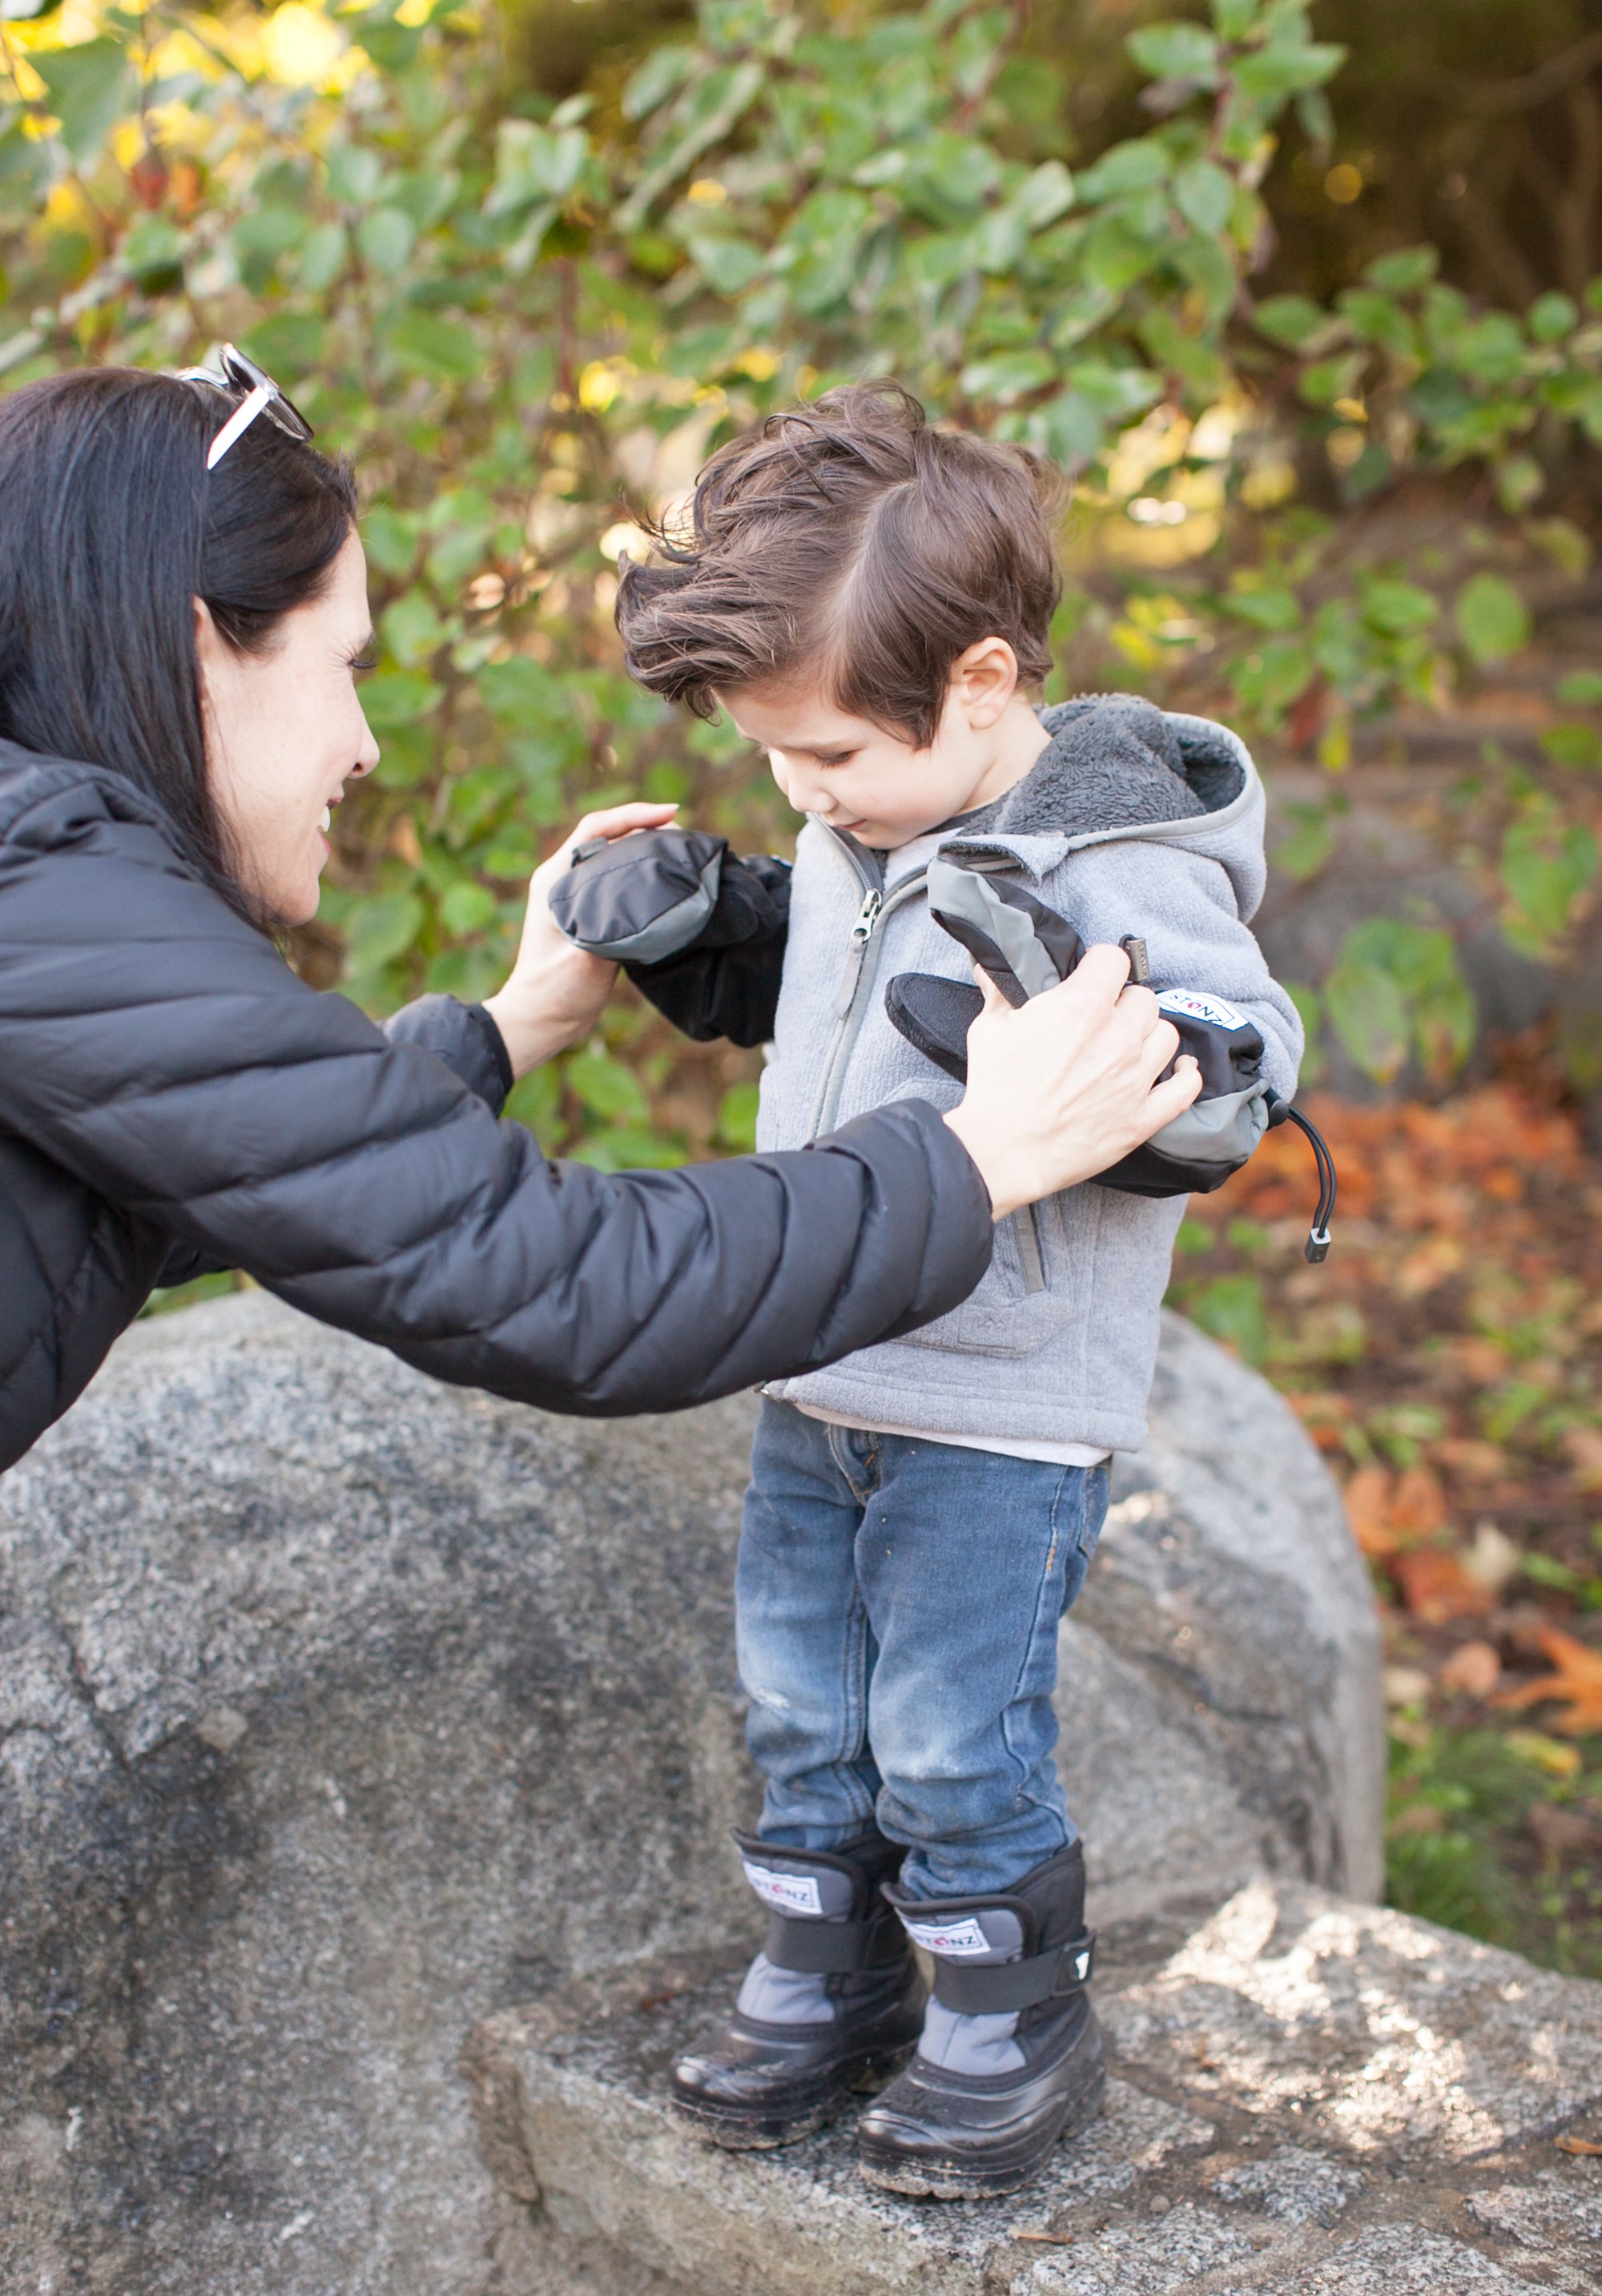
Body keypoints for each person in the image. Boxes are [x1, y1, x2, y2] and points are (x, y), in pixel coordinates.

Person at [0, 359, 1200, 1476]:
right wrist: (980, 1157)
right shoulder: (44, 897)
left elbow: (227, 1166)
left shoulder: (41, 896)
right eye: (346, 664)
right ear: (200, 648)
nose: (364, 747)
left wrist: (515, 1025)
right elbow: (547, 1273)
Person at [602, 384, 1303, 2199]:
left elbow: (1238, 1067)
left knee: (945, 1726)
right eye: (777, 763)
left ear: (981, 683)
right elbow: (817, 993)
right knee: (796, 1698)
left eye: (827, 757)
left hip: (997, 1407)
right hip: (817, 1367)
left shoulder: (1119, 861)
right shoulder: (863, 829)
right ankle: (827, 1971)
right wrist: (707, 927)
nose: (804, 794)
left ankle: (1011, 2014)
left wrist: (1127, 1025)